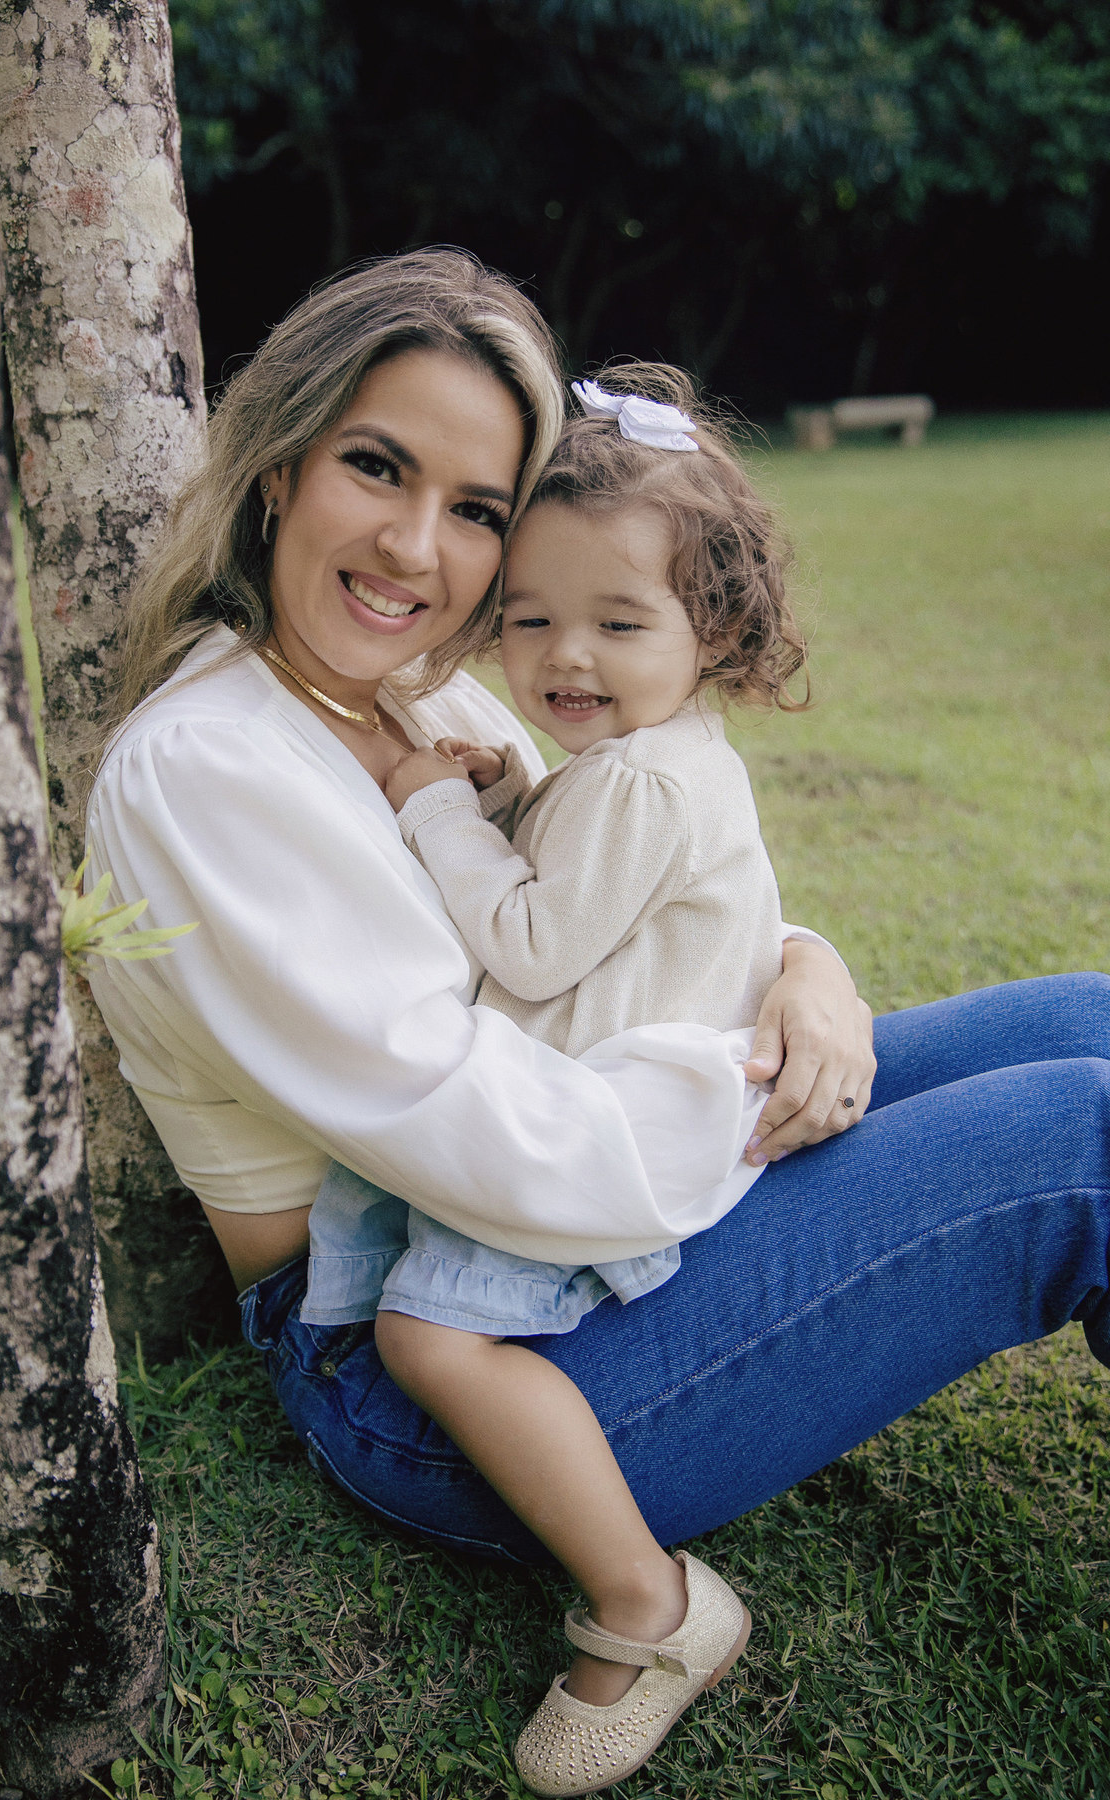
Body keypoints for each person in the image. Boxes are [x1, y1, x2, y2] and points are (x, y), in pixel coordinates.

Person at [85, 249, 1110, 1800]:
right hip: (432, 1341)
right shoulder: (211, 769)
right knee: (1082, 1137)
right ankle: (650, 1610)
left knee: (1090, 1017)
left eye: (479, 508)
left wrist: (804, 969)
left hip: (600, 1179)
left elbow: (638, 895)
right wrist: (741, 1131)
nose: (419, 547)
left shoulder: (447, 694)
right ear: (281, 466)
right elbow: (493, 1126)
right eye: (377, 466)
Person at [299, 362, 807, 1789]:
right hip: (622, 1101)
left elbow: (531, 944)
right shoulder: (650, 755)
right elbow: (593, 877)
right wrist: (516, 795)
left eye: (616, 622)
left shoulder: (641, 778)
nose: (563, 658)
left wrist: (432, 808)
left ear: (714, 625)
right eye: (528, 619)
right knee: (429, 1315)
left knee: (435, 1339)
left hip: (608, 1129)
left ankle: (649, 1605)